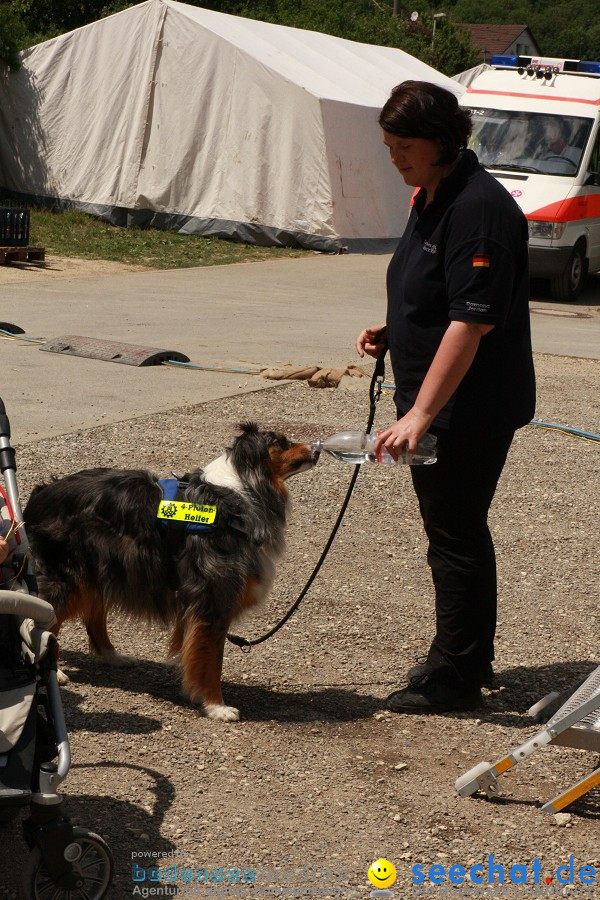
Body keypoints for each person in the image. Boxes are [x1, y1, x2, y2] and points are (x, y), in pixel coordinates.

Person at [356, 81, 535, 714]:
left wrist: (421, 414)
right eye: (388, 146)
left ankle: (457, 676)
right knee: (448, 532)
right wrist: (394, 330)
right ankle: (459, 654)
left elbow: (472, 322)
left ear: (440, 141)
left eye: (403, 146)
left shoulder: (478, 209)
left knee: (456, 534)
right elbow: (431, 291)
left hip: (470, 407)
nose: (394, 157)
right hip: (436, 394)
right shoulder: (430, 194)